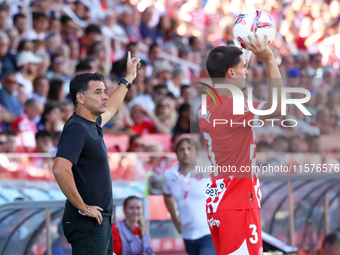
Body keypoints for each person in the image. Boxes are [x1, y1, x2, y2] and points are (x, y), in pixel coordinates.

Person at [198, 35, 283, 255]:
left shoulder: (208, 104)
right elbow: (277, 107)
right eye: (243, 67)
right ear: (231, 73)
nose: (246, 72)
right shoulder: (232, 107)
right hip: (237, 202)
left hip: (219, 201)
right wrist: (270, 60)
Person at [52, 52, 140, 255]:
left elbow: (111, 108)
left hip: (100, 219)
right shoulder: (77, 128)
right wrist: (83, 207)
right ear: (80, 98)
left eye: (104, 91)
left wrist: (129, 78)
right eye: (98, 92)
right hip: (87, 221)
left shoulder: (91, 123)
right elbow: (60, 169)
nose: (105, 96)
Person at [163, 138, 216, 255]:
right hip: (187, 233)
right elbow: (167, 195)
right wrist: (175, 220)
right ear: (176, 153)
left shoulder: (208, 169)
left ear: (197, 152)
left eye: (189, 149)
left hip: (208, 231)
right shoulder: (169, 174)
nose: (186, 152)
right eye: (181, 149)